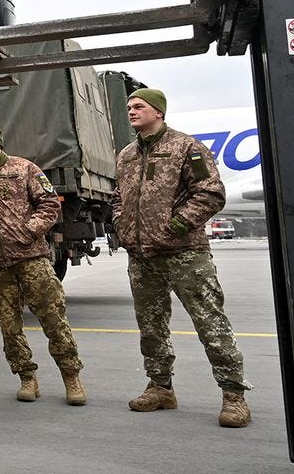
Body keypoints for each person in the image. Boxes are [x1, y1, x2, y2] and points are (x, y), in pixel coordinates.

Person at [113, 87, 251, 428]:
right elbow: (119, 197)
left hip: (184, 253)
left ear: (158, 111)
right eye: (129, 106)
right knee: (151, 326)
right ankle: (160, 387)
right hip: (142, 256)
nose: (131, 111)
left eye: (139, 106)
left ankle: (234, 396)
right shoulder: (127, 154)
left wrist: (173, 226)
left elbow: (211, 193)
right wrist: (121, 224)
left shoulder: (185, 147)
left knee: (210, 323)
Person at [0, 123, 87, 405]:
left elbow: (50, 203)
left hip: (32, 260)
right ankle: (27, 378)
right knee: (9, 326)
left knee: (53, 317)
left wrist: (29, 229)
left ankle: (71, 376)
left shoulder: (24, 169)